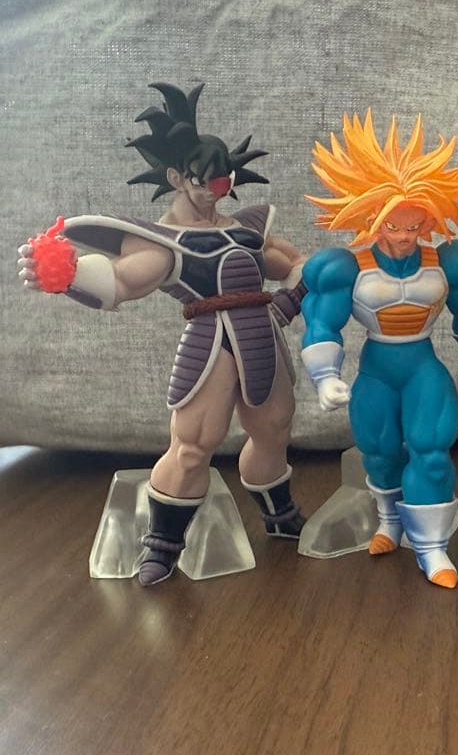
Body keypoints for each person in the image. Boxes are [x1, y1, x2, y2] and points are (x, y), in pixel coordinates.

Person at [18, 82, 307, 586]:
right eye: (206, 180)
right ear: (177, 177)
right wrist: (67, 273)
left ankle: (279, 515)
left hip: (263, 335)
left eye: (223, 180)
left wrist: (303, 292)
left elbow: (297, 266)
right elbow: (123, 281)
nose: (216, 190)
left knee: (274, 429)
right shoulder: (164, 242)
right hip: (212, 344)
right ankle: (163, 544)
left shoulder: (246, 229)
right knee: (193, 446)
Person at [300, 111, 458, 589]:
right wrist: (325, 376)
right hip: (377, 370)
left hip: (423, 366)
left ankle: (432, 547)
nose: (404, 236)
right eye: (393, 225)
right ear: (370, 219)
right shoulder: (344, 267)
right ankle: (389, 520)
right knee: (380, 451)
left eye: (414, 225)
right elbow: (322, 322)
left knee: (431, 450)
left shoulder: (451, 261)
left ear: (430, 218)